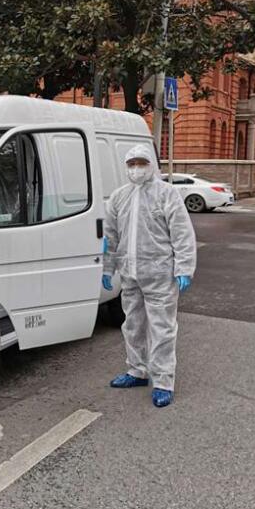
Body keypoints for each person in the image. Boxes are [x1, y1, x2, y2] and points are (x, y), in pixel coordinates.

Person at [102, 144, 196, 408]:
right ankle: (137, 371)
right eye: (131, 164)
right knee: (132, 325)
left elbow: (182, 233)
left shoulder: (167, 194)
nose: (136, 168)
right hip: (130, 274)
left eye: (141, 163)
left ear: (151, 165)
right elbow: (110, 236)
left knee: (162, 329)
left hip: (160, 274)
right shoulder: (118, 197)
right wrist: (108, 268)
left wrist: (184, 268)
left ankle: (164, 382)